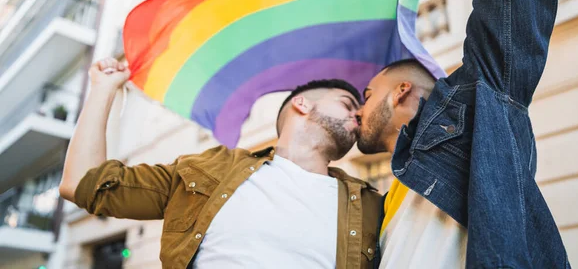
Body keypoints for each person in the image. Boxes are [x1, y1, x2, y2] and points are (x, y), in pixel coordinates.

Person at [355, 0, 569, 268]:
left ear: (401, 89)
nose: (356, 110)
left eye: (366, 96)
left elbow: (511, 16)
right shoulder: (386, 199)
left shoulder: (473, 117)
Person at [59, 61, 381, 269]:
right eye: (347, 104)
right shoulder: (213, 169)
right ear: (302, 104)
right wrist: (103, 89)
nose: (358, 114)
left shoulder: (371, 205)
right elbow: (84, 185)